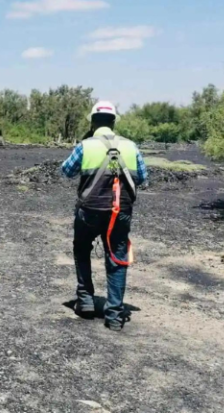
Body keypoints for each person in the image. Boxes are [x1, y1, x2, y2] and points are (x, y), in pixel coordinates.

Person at [61, 101, 148, 332]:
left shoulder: (85, 145)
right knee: (117, 257)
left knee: (81, 248)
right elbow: (143, 177)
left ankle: (86, 301)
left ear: (93, 122)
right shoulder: (130, 146)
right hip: (120, 213)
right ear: (114, 122)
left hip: (89, 211)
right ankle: (115, 316)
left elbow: (66, 171)